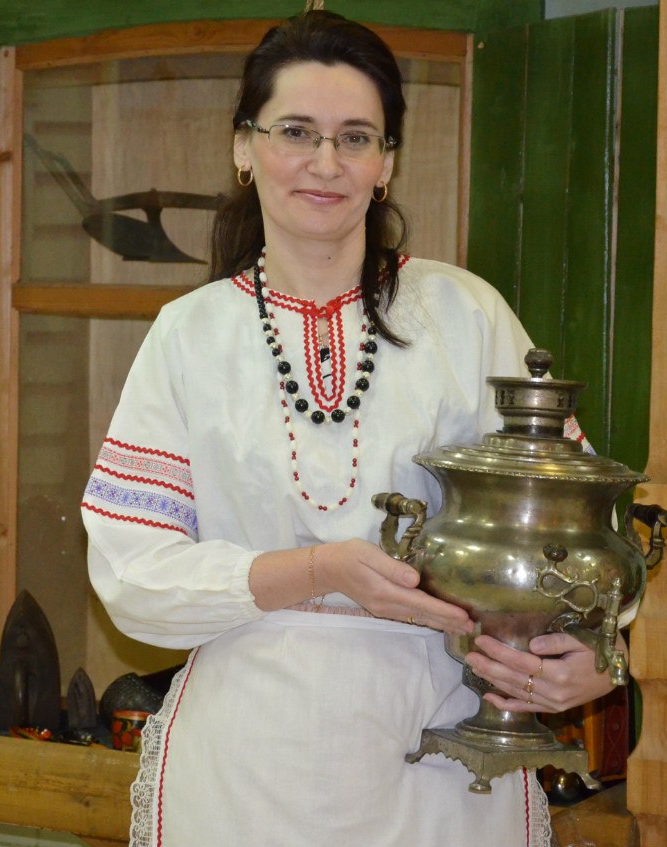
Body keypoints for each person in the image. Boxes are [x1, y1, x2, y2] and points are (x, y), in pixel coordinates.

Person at [81, 11, 619, 846]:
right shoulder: (189, 335)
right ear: (244, 146)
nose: (326, 163)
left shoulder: (466, 316)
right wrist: (319, 568)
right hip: (242, 764)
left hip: (442, 753)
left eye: (356, 137)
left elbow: (581, 531)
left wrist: (593, 652)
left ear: (387, 163)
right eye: (296, 132)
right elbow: (132, 574)